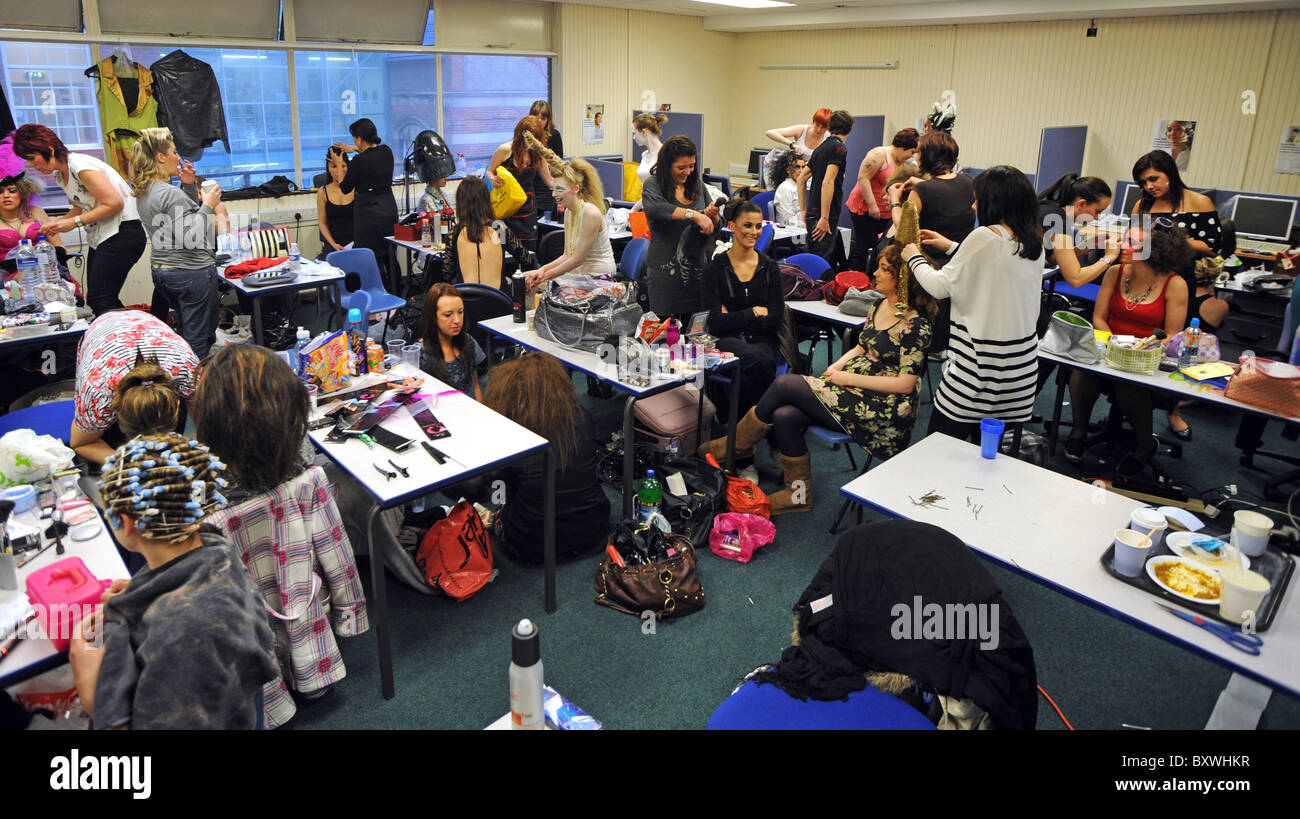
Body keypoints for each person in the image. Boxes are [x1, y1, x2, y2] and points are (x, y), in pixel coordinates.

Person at [193, 344, 368, 727]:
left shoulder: (203, 495)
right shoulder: (305, 469)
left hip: (248, 624)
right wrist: (350, 610)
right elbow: (337, 554)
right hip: (303, 601)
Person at [699, 244, 935, 515]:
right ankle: (798, 494)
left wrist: (845, 378)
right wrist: (835, 368)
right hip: (853, 390)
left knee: (786, 384)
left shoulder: (915, 324)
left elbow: (905, 384)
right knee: (786, 415)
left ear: (903, 279)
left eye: (884, 269)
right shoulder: (880, 304)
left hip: (883, 410)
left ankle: (736, 445)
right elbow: (860, 347)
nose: (875, 274)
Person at [67, 432, 279, 729]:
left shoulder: (177, 634)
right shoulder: (216, 548)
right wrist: (141, 595)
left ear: (126, 523)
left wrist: (92, 693)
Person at [903, 165, 1044, 442]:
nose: (974, 204)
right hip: (1020, 373)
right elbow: (995, 266)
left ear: (996, 202)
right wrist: (952, 246)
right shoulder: (1032, 240)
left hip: (979, 371)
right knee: (986, 455)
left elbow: (939, 286)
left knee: (938, 450)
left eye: (979, 197)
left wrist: (912, 256)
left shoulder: (984, 236)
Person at [1063, 221, 1193, 476]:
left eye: (1132, 243)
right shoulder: (1116, 272)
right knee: (1083, 370)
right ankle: (1078, 432)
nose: (1122, 245)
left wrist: (1139, 349)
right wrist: (1113, 343)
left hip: (1147, 356)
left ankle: (1144, 445)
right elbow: (1099, 317)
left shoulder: (1175, 283)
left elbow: (1173, 334)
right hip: (1111, 348)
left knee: (1128, 383)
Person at [479, 352, 611, 563]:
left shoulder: (515, 436)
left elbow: (493, 486)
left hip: (532, 543)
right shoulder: (582, 418)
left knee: (500, 496)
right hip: (595, 531)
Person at [1132, 149, 1219, 439]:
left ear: (1170, 172)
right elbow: (1136, 247)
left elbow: (1213, 247)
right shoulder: (1142, 206)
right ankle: (1129, 403)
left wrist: (1173, 236)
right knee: (1143, 339)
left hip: (1181, 281)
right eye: (1144, 182)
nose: (1149, 187)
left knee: (1173, 347)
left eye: (1154, 179)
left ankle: (1173, 411)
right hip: (1148, 279)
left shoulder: (1199, 202)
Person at [13, 124, 146, 315]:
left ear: (49, 150)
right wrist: (57, 224)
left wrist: (73, 223)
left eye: (32, 159)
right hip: (104, 234)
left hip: (123, 231)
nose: (31, 166)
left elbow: (114, 203)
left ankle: (130, 339)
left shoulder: (79, 166)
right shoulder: (60, 175)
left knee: (101, 298)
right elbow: (81, 205)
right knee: (99, 298)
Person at [129, 127, 224, 360]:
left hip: (164, 273)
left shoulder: (145, 192)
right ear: (160, 157)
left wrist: (189, 186)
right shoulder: (169, 193)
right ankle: (194, 390)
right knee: (199, 339)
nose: (178, 157)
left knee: (183, 333)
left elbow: (180, 221)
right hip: (191, 274)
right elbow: (191, 237)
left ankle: (183, 381)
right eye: (173, 151)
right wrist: (209, 204)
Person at [71, 309, 200, 466]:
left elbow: (202, 423)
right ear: (117, 413)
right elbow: (81, 443)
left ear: (177, 403)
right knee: (109, 446)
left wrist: (194, 454)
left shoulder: (188, 371)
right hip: (103, 331)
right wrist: (129, 465)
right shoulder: (98, 396)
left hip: (147, 326)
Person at [891, 130, 975, 355]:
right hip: (958, 266)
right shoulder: (967, 182)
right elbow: (948, 197)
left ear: (926, 157)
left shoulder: (922, 191)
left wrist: (894, 202)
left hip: (927, 271)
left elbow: (903, 231)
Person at [703, 199, 784, 424]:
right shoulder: (716, 269)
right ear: (732, 226)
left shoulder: (770, 268)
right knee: (758, 363)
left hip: (762, 340)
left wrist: (734, 316)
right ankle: (759, 431)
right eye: (748, 225)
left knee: (759, 361)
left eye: (758, 226)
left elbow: (775, 320)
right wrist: (754, 312)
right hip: (726, 341)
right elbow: (717, 323)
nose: (755, 232)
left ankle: (740, 434)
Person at [640, 135, 720, 319]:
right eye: (681, 167)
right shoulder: (653, 184)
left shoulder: (697, 185)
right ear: (667, 165)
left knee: (694, 336)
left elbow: (714, 226)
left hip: (697, 273)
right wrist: (695, 214)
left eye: (691, 166)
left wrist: (712, 217)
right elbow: (657, 209)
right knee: (667, 335)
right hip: (665, 275)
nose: (688, 171)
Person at [523, 132, 615, 287]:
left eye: (559, 189)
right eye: (554, 189)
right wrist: (542, 270)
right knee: (526, 279)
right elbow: (567, 255)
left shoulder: (589, 212)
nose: (554, 195)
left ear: (576, 189)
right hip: (580, 275)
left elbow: (577, 259)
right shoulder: (569, 212)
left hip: (599, 279)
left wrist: (545, 276)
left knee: (537, 285)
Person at [333, 118, 399, 290]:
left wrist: (340, 164)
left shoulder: (358, 162)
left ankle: (375, 296)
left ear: (360, 138)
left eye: (355, 139)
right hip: (388, 208)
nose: (354, 142)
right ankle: (396, 294)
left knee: (370, 257)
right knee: (389, 256)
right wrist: (353, 149)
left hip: (369, 214)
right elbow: (371, 153)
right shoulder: (387, 151)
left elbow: (345, 187)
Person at [847, 128, 918, 272]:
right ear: (903, 147)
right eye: (911, 152)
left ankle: (875, 277)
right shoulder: (879, 154)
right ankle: (858, 279)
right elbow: (862, 178)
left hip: (885, 210)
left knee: (880, 247)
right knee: (863, 245)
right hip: (864, 207)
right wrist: (872, 205)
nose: (911, 156)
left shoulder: (901, 163)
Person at [444, 175, 531, 291]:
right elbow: (526, 259)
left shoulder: (455, 232)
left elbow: (447, 273)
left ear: (460, 203)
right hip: (498, 300)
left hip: (466, 302)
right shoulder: (499, 228)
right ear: (486, 200)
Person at [1037, 173, 1120, 287]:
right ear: (1081, 204)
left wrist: (1089, 244)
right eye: (1098, 211)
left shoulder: (1049, 209)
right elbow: (1076, 279)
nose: (1097, 218)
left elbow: (1053, 259)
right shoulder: (1058, 221)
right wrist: (1109, 257)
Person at [489, 115, 555, 257]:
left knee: (528, 256)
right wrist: (493, 179)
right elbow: (489, 171)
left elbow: (549, 181)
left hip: (527, 212)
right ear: (520, 135)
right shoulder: (505, 150)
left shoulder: (537, 153)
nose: (529, 144)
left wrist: (568, 189)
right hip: (504, 211)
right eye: (527, 139)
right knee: (500, 254)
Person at [419, 282, 485, 399]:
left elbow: (476, 387)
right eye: (448, 315)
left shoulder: (468, 342)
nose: (457, 320)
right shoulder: (421, 354)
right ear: (433, 317)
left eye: (460, 312)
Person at [806, 110, 853, 271]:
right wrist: (825, 217)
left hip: (812, 213)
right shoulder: (839, 148)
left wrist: (804, 210)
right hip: (825, 216)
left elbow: (800, 180)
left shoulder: (820, 148)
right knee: (820, 263)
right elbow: (828, 181)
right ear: (850, 128)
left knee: (814, 258)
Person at [316, 146, 355, 253]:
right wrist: (333, 244)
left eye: (342, 165)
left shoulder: (357, 189)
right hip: (333, 244)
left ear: (348, 166)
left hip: (356, 243)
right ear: (328, 169)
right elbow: (322, 223)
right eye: (334, 166)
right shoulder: (322, 192)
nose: (339, 171)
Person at [529, 100, 563, 215]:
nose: (539, 121)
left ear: (548, 120)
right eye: (536, 117)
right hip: (530, 187)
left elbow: (559, 163)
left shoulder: (554, 135)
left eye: (543, 119)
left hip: (547, 190)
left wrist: (549, 165)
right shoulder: (526, 136)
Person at [768, 150, 806, 226]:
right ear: (788, 170)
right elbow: (787, 220)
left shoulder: (800, 186)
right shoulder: (785, 189)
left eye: (803, 167)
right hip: (789, 231)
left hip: (801, 228)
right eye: (797, 167)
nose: (801, 171)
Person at [633, 112, 668, 184]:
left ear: (643, 132)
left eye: (634, 133)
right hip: (645, 195)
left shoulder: (666, 154)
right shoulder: (644, 155)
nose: (634, 137)